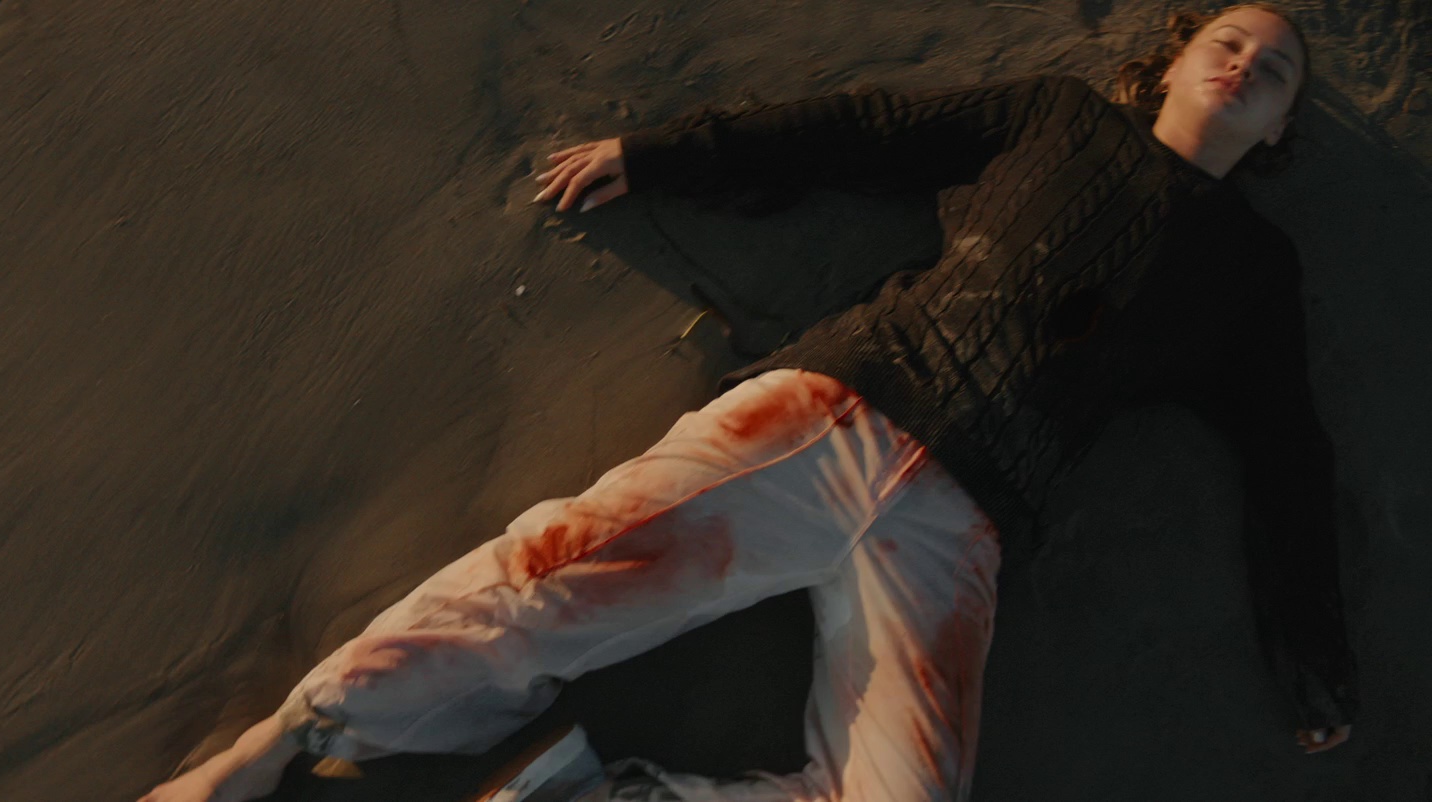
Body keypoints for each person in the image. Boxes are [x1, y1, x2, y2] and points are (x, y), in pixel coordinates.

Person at [143, 4, 1358, 800]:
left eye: (1275, 70)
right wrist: (669, 155)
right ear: (1172, 58)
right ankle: (283, 740)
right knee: (555, 574)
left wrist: (1312, 662)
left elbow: (1289, 459)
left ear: (1279, 128)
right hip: (832, 415)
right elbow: (869, 130)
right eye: (1228, 39)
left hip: (964, 532)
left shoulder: (1253, 272)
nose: (1245, 64)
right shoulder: (1057, 117)